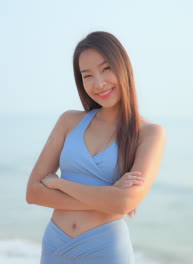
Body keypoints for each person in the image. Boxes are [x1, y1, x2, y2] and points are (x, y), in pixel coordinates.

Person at [26, 31, 166, 264]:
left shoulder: (150, 133)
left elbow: (124, 203)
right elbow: (32, 192)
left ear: (123, 68)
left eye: (106, 69)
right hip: (54, 246)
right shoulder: (69, 121)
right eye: (87, 75)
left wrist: (60, 184)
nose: (99, 83)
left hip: (105, 250)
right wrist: (109, 195)